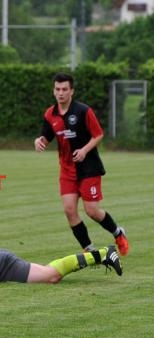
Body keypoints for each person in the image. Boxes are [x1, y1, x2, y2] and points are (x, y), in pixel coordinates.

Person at [34, 72, 129, 256]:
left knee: (92, 211)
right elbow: (46, 136)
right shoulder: (50, 114)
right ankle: (89, 250)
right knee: (69, 210)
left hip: (89, 168)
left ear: (72, 91)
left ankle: (118, 232)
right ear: (54, 91)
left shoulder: (83, 111)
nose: (60, 93)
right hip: (67, 170)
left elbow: (98, 134)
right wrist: (39, 141)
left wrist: (85, 150)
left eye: (64, 89)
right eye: (57, 89)